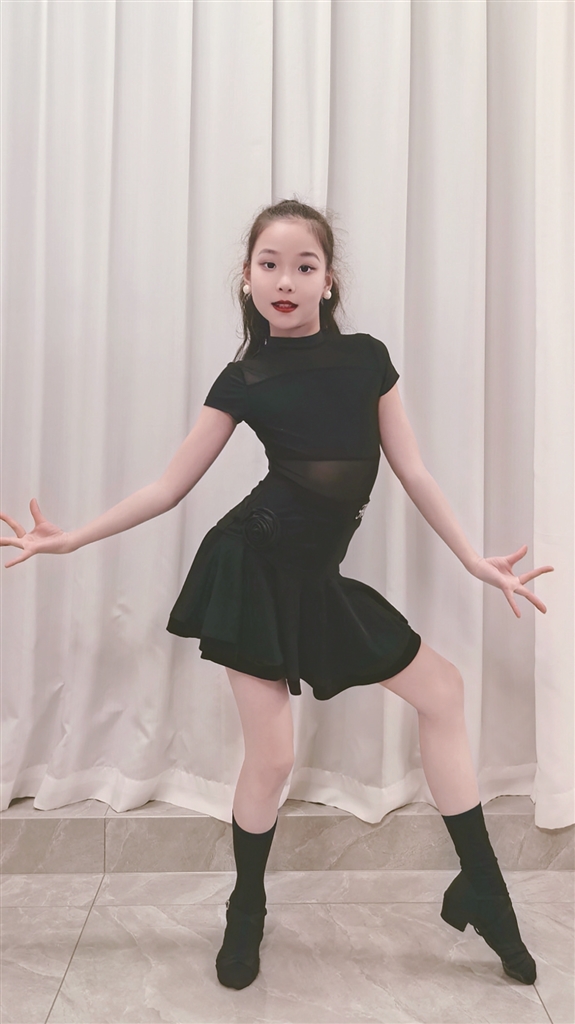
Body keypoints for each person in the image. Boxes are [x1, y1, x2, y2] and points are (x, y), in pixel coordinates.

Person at [1, 199, 553, 993]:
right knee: (274, 756)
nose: (284, 280)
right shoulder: (245, 378)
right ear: (248, 278)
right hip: (251, 568)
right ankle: (246, 908)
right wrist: (72, 538)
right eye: (269, 265)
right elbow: (167, 486)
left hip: (315, 581)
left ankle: (482, 890)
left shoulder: (366, 359)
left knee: (441, 691)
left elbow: (413, 470)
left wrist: (473, 560)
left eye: (303, 266)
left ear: (328, 281)